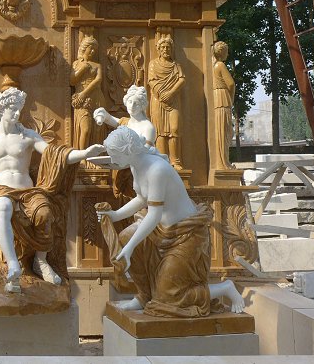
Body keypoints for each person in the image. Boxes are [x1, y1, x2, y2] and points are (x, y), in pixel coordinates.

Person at [96, 127, 245, 317]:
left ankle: (225, 288)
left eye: (113, 154)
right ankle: (144, 296)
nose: (111, 159)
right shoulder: (135, 165)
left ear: (128, 151)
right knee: (125, 237)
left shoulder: (156, 170)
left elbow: (153, 214)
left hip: (185, 235)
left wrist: (131, 247)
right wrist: (115, 215)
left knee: (169, 297)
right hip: (161, 230)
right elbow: (142, 198)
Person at [0, 88, 104, 291]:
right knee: (2, 206)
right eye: (13, 109)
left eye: (19, 109)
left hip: (27, 192)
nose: (17, 113)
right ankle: (13, 265)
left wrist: (84, 153)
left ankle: (41, 261)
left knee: (45, 212)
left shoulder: (28, 135)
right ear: (1, 109)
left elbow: (55, 154)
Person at [148, 35, 184, 170]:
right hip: (158, 100)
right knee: (160, 131)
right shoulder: (153, 64)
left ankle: (175, 161)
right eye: (163, 47)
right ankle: (162, 159)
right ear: (158, 49)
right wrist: (162, 94)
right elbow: (151, 81)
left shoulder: (176, 65)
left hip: (173, 100)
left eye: (168, 47)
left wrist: (170, 93)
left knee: (175, 129)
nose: (165, 49)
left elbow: (181, 80)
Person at [70, 37, 104, 149]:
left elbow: (98, 80)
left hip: (95, 98)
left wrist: (84, 93)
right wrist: (83, 69)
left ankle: (94, 156)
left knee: (97, 129)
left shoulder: (97, 65)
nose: (93, 51)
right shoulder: (76, 64)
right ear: (84, 48)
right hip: (82, 100)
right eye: (91, 48)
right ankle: (82, 156)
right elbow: (72, 81)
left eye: (95, 49)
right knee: (85, 129)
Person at [212, 41, 235, 170]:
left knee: (221, 131)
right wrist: (230, 99)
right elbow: (231, 84)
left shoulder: (211, 66)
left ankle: (222, 161)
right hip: (222, 98)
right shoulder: (220, 65)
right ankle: (223, 163)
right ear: (221, 52)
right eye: (226, 51)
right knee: (224, 132)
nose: (228, 54)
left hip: (215, 99)